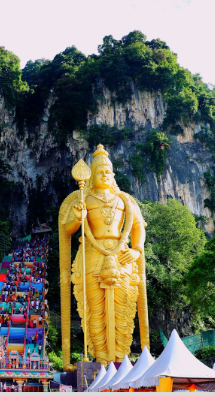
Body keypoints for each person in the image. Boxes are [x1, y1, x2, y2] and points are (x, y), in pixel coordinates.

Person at [60, 144, 148, 364]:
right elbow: (68, 228)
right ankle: (100, 357)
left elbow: (138, 227)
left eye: (108, 171)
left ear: (113, 175)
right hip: (92, 251)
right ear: (91, 176)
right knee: (95, 307)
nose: (104, 175)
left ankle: (121, 356)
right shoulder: (84, 199)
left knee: (123, 304)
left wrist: (136, 250)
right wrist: (78, 216)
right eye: (99, 171)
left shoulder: (125, 200)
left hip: (121, 254)